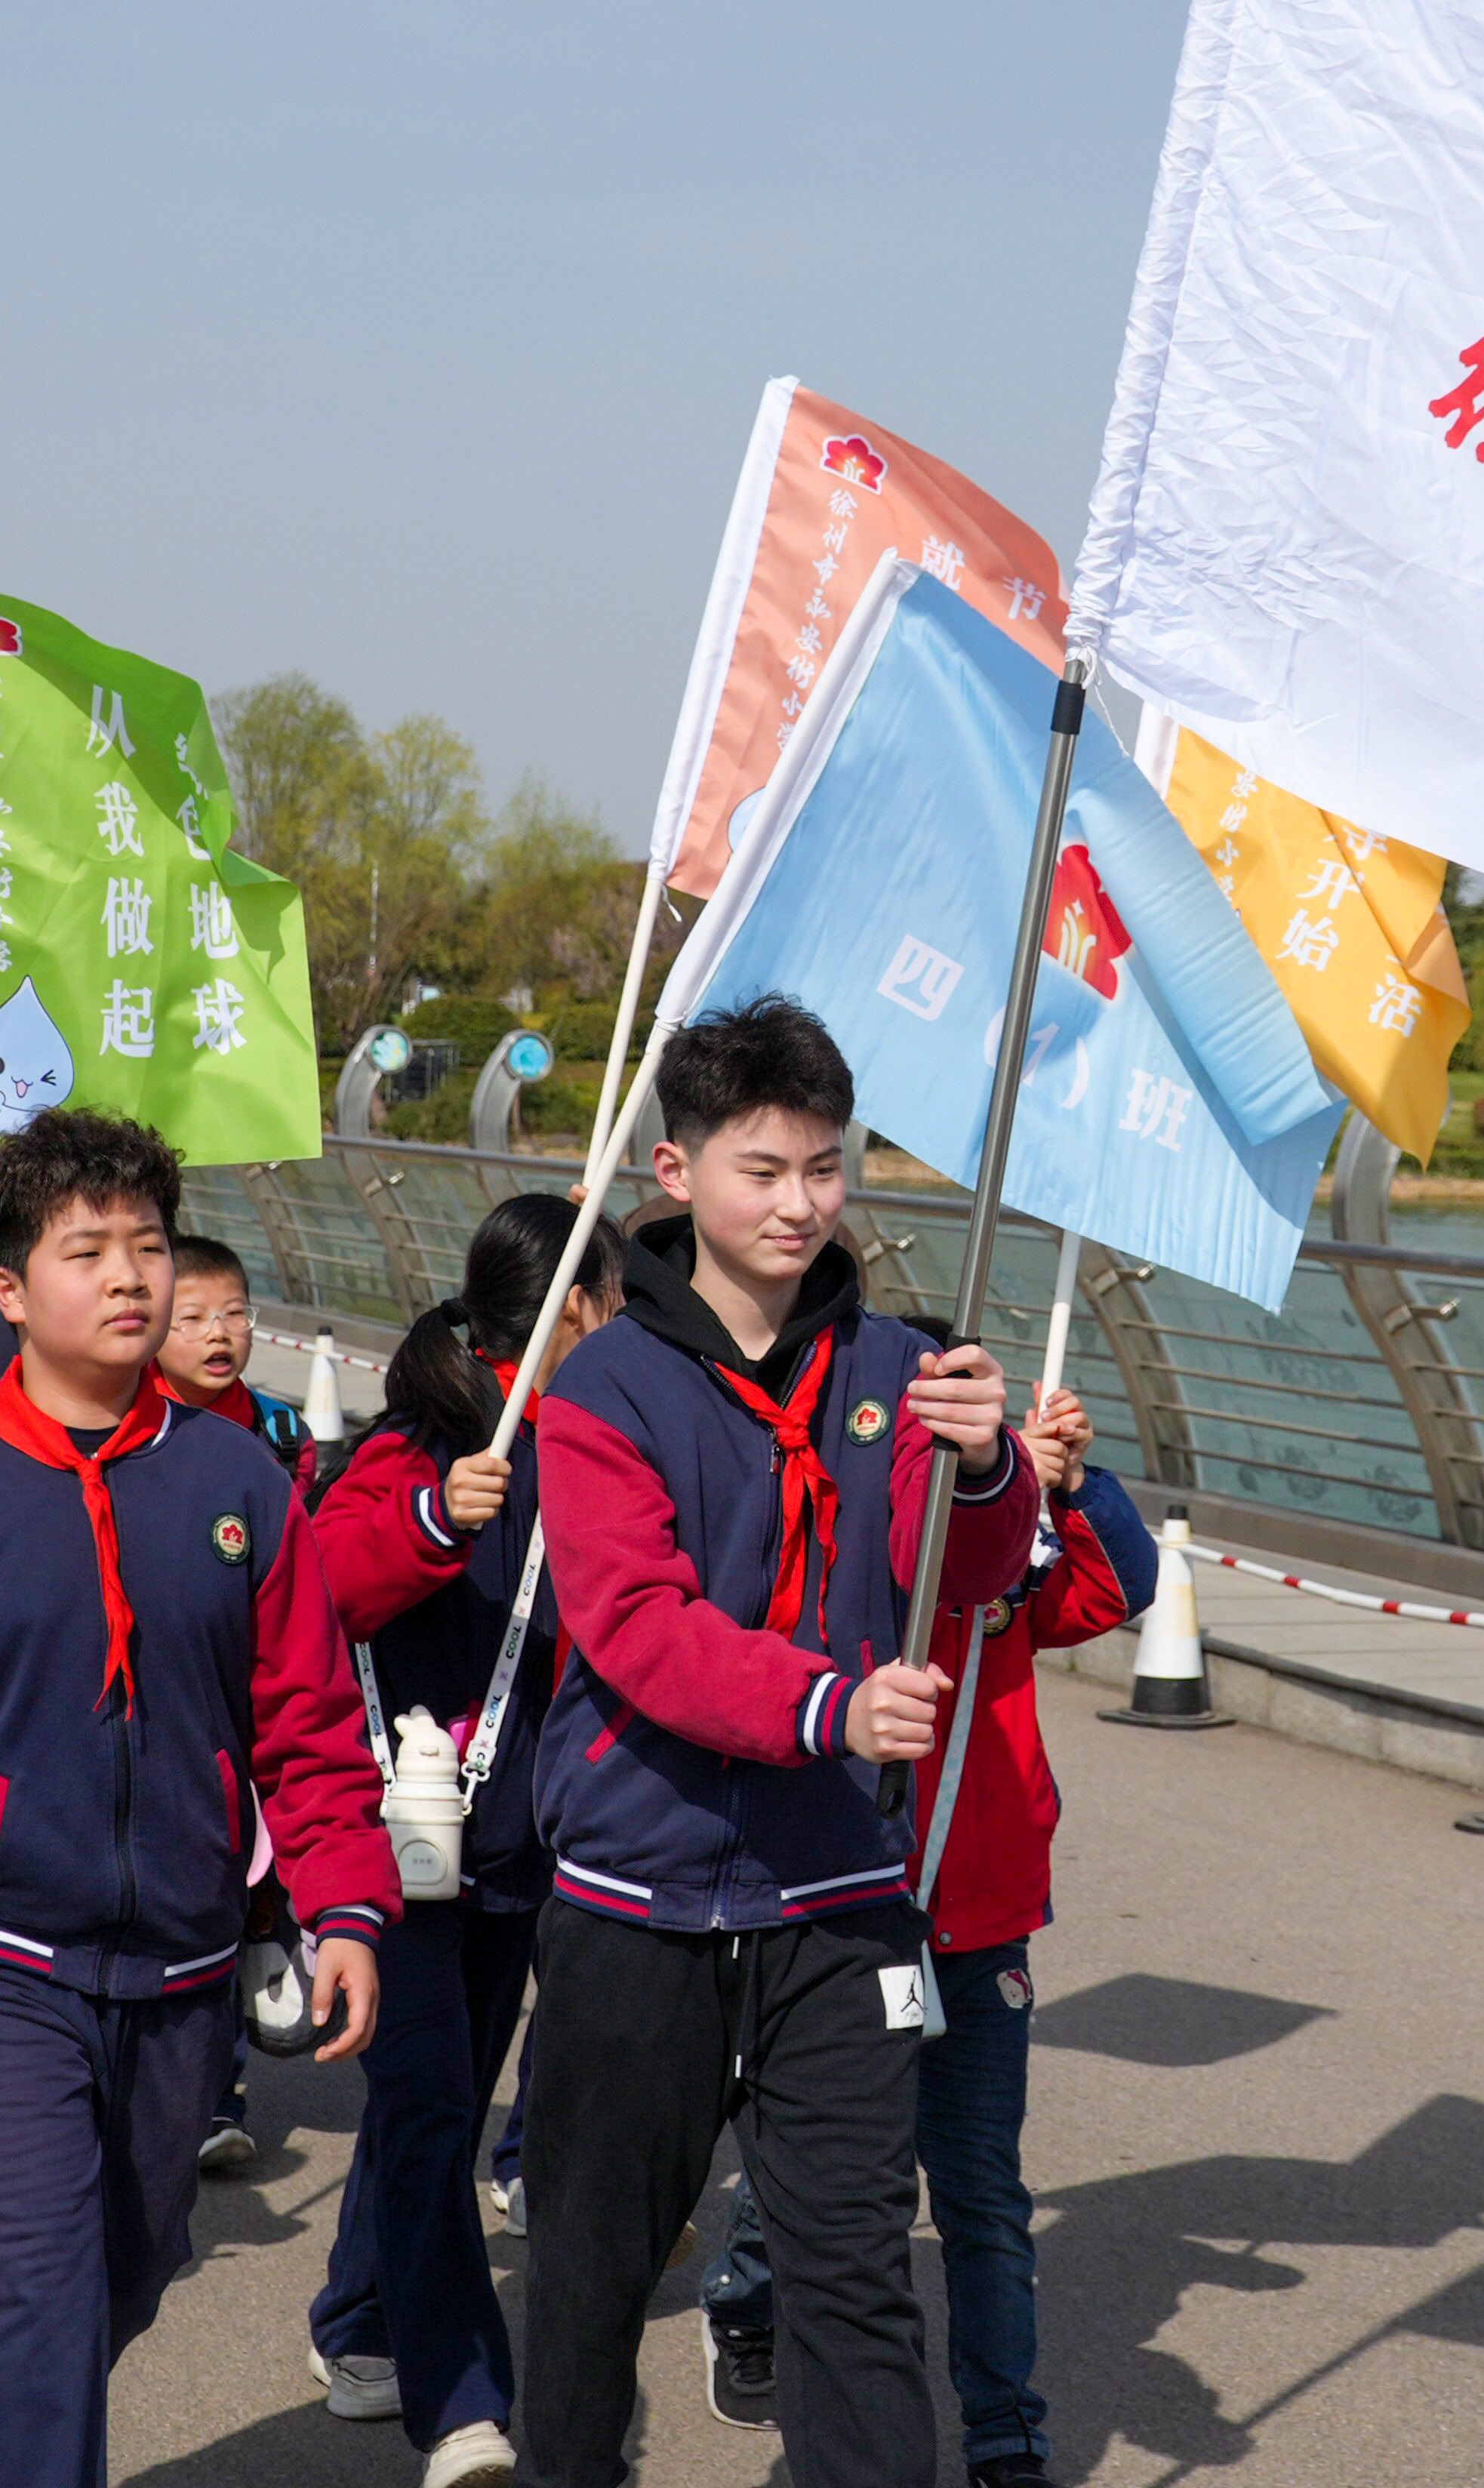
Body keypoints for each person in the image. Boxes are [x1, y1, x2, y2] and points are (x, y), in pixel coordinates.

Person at [0, 1107, 396, 2488]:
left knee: (129, 2262)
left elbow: (306, 1719)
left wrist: (343, 1900)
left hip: (182, 1956)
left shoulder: (242, 1482)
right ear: (5, 1290)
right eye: (86, 1249)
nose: (129, 1276)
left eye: (149, 1245)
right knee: (30, 2282)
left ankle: (1, 2438)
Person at [510, 996, 1040, 2488]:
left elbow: (982, 1580)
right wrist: (824, 1706)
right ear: (674, 1174)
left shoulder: (901, 1365)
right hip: (635, 1906)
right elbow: (637, 1625)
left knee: (860, 2282)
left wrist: (989, 1468)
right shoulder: (599, 1393)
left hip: (841, 1903)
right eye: (764, 1168)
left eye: (827, 1165)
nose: (802, 1201)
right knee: (591, 2283)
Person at [697, 1385, 1149, 2487]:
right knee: (834, 2165)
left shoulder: (1013, 1549)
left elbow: (1118, 1588)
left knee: (983, 2187)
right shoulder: (842, 1544)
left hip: (982, 1913)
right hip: (845, 1902)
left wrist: (1071, 1486)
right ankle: (749, 2304)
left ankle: (1006, 2431)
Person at [300, 1194, 611, 2481]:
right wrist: (435, 1518)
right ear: (561, 1309)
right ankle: (467, 2403)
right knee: (431, 2108)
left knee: (435, 2103)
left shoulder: (594, 1438)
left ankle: (357, 2312)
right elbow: (320, 1584)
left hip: (525, 1838)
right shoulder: (424, 1438)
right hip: (413, 1836)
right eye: (610, 1300)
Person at [143, 1236, 309, 2185]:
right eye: (196, 1316)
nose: (220, 1334)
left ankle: (220, 2085)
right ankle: (200, 2091)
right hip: (173, 1693)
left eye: (235, 1313)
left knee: (250, 1878)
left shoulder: (280, 1431)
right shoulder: (135, 1426)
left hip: (261, 1692)